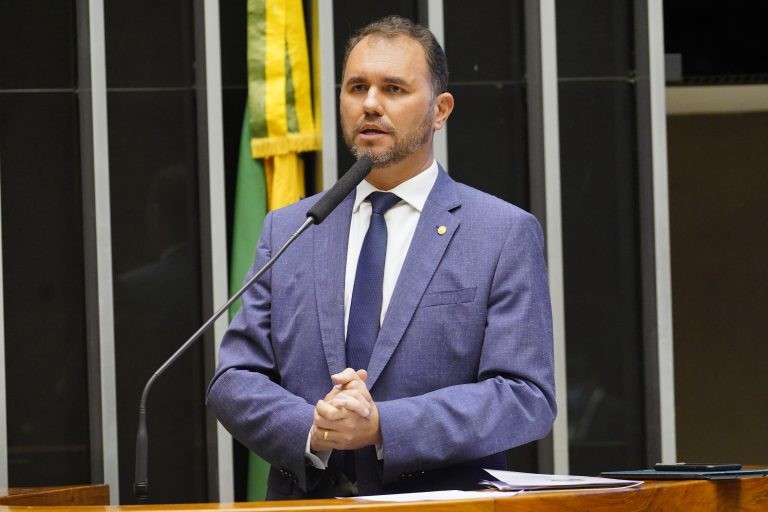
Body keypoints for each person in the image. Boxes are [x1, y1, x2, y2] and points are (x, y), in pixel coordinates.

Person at [207, 15, 556, 499]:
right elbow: (235, 378)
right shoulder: (291, 228)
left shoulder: (500, 233)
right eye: (356, 87)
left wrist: (382, 426)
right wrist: (314, 428)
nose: (370, 104)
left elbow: (526, 397)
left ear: (440, 110)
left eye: (393, 88)